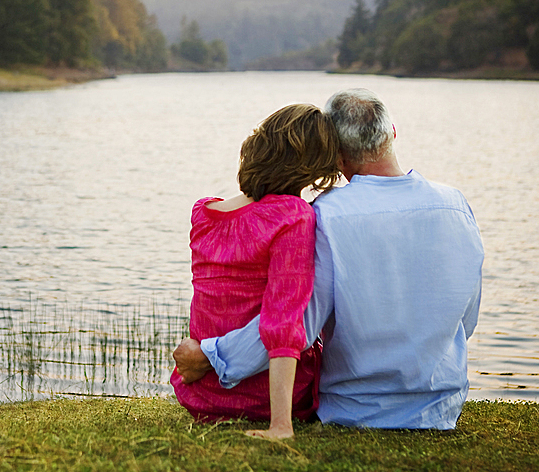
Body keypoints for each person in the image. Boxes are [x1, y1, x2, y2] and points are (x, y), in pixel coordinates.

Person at [173, 88, 485, 430]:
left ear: (335, 157)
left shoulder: (329, 215)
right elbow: (466, 318)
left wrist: (211, 356)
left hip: (353, 408)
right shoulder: (455, 204)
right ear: (392, 131)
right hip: (439, 406)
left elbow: (299, 323)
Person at [170, 103, 340, 440]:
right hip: (267, 399)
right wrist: (281, 425)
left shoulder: (203, 213)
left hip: (201, 394)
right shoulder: (293, 215)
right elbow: (283, 321)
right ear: (311, 167)